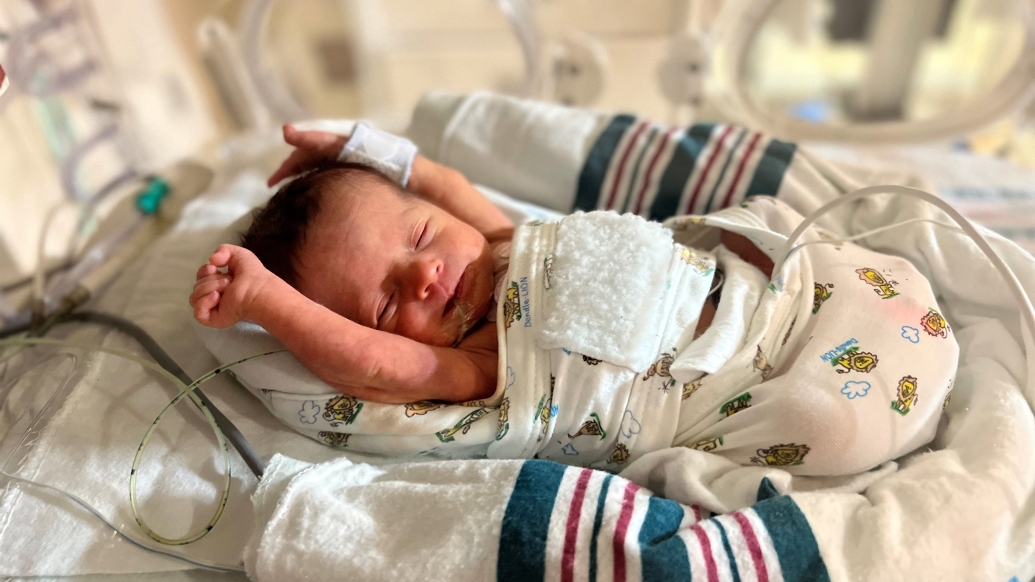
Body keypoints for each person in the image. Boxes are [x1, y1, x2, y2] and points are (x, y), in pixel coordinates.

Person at [190, 123, 958, 475]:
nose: (423, 277)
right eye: (390, 305)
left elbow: (445, 185)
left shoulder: (505, 241)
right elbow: (375, 370)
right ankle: (854, 399)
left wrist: (364, 151)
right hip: (739, 387)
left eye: (420, 238)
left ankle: (869, 312)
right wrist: (266, 301)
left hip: (767, 296)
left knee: (806, 249)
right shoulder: (476, 362)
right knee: (823, 423)